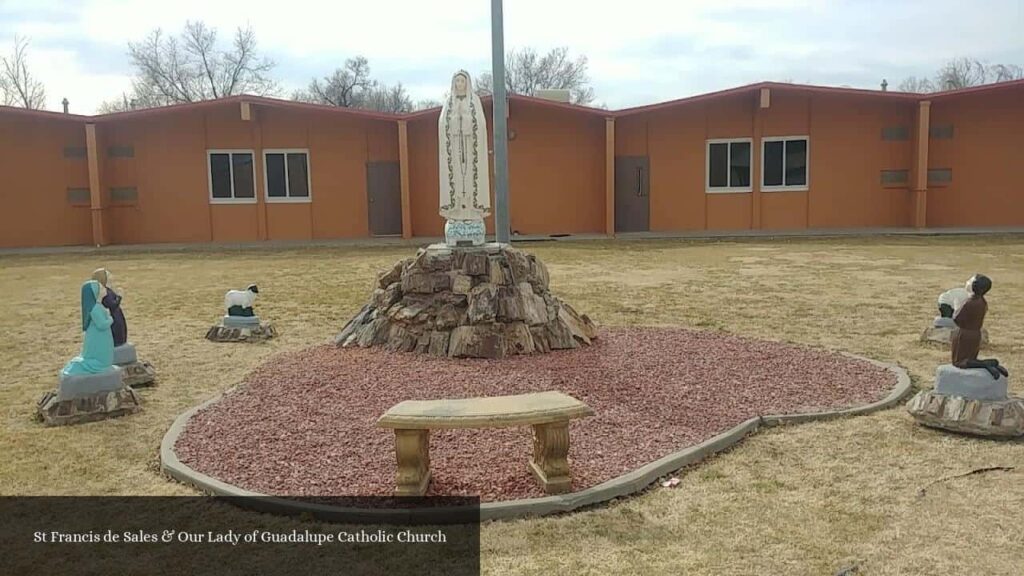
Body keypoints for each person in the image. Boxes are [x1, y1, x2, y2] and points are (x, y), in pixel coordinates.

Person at [951, 274, 1008, 379]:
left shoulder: (969, 302)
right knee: (970, 357)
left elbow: (956, 319)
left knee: (959, 362)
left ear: (974, 286)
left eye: (970, 281)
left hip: (964, 334)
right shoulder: (982, 302)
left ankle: (986, 364)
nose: (967, 282)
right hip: (976, 334)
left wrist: (956, 307)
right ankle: (990, 365)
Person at [62, 280, 116, 376]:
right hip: (98, 337)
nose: (104, 289)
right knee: (101, 356)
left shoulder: (98, 306)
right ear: (95, 292)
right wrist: (111, 319)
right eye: (101, 288)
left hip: (102, 337)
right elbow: (102, 325)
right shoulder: (95, 308)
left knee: (105, 354)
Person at [92, 268, 127, 347]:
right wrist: (119, 297)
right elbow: (112, 305)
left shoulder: (107, 290)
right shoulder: (103, 292)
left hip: (116, 315)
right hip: (113, 317)